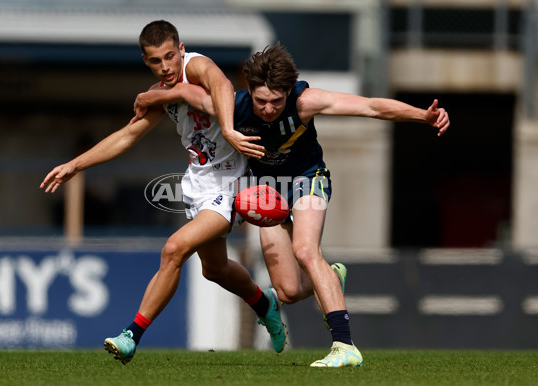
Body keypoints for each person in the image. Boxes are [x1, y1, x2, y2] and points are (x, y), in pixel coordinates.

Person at [132, 42, 450, 368]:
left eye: (276, 101)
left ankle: (344, 345)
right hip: (268, 191)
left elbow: (371, 106)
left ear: (288, 92)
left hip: (307, 178)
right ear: (249, 92)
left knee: (306, 251)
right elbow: (187, 94)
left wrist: (422, 116)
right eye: (261, 101)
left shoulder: (304, 102)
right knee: (287, 291)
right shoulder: (235, 107)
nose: (268, 109)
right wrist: (147, 97)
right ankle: (328, 276)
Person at [39, 21, 287, 365]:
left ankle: (131, 335)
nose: (167, 66)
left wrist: (226, 128)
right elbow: (126, 136)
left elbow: (220, 84)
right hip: (198, 186)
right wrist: (75, 165)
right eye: (157, 61)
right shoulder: (161, 92)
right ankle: (265, 303)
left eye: (171, 56)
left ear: (181, 49)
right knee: (213, 270)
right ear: (146, 61)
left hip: (233, 183)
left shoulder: (195, 66)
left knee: (174, 249)